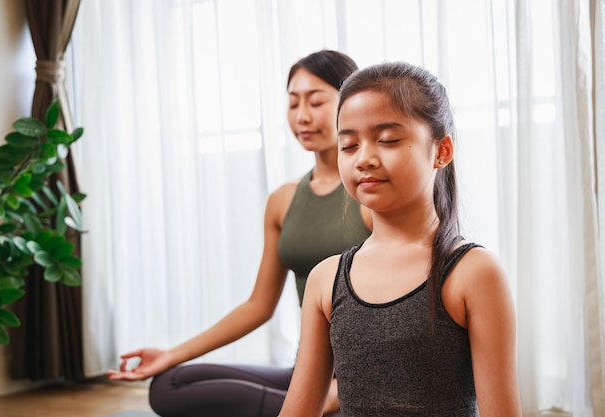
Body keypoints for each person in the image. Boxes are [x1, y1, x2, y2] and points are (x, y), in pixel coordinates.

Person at [106, 50, 372, 417]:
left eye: (316, 101)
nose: (302, 116)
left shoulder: (369, 193)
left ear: (350, 103)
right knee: (169, 384)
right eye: (293, 103)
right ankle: (315, 407)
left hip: (360, 374)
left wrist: (344, 388)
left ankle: (335, 404)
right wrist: (170, 354)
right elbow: (258, 306)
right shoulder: (283, 200)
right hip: (310, 369)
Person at [278, 62, 523, 417]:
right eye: (348, 145)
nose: (364, 159)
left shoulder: (474, 273)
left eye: (388, 140)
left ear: (441, 151)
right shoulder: (325, 279)